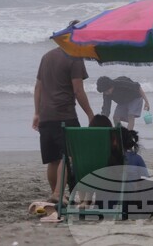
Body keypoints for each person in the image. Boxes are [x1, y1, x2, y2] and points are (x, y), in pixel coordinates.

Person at [33, 40, 95, 199]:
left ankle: (56, 196)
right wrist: (90, 114)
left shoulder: (46, 56)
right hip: (65, 116)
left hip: (45, 116)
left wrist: (37, 113)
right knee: (69, 156)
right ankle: (57, 194)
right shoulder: (75, 57)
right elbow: (78, 90)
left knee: (53, 160)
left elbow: (38, 87)